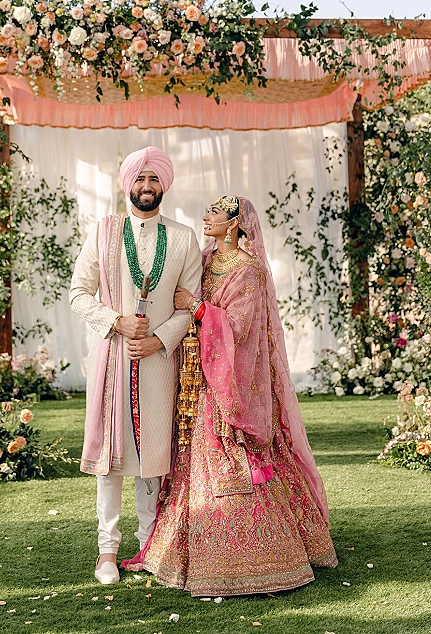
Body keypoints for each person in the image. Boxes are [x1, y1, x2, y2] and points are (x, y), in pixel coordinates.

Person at [134, 195, 338, 596]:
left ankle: (264, 557)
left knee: (230, 460)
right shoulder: (207, 261)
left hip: (228, 383)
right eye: (207, 210)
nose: (205, 216)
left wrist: (196, 307)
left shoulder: (248, 270)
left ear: (234, 224)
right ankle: (184, 549)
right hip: (198, 375)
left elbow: (240, 330)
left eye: (214, 212)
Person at [69, 147, 202, 586]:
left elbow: (190, 304)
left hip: (160, 362)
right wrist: (117, 322)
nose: (147, 187)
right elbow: (79, 293)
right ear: (127, 183)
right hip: (111, 357)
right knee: (111, 458)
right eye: (140, 179)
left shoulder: (183, 238)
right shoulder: (103, 232)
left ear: (164, 184)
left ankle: (149, 545)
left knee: (153, 457)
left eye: (154, 179)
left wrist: (159, 339)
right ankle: (107, 551)